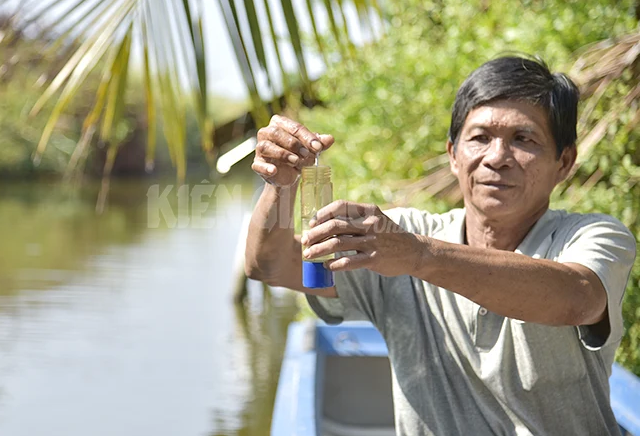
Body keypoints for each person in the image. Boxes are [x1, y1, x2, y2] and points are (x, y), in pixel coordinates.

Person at [244, 56, 637, 435]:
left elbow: (577, 297)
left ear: (564, 163)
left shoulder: (593, 236)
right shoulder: (403, 238)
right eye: (480, 138)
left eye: (523, 138)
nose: (497, 158)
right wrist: (280, 188)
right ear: (453, 155)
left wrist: (418, 255)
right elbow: (271, 265)